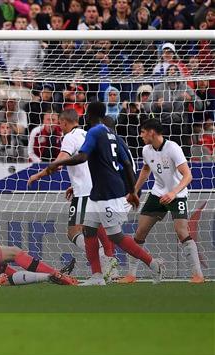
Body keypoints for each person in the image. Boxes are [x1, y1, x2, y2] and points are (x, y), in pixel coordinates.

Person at [45, 102, 163, 286]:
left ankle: (153, 264)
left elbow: (82, 157)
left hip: (108, 191)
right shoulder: (111, 133)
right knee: (89, 230)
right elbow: (127, 164)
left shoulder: (95, 132)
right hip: (98, 190)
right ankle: (97, 276)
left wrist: (57, 164)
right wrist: (132, 191)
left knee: (115, 236)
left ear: (88, 114)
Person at [28, 109, 119, 281]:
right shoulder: (87, 134)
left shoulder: (69, 137)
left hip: (84, 193)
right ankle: (110, 269)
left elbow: (59, 162)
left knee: (74, 232)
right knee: (99, 229)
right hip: (97, 189)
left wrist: (38, 175)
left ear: (63, 122)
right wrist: (74, 183)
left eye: (59, 123)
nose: (59, 126)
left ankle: (103, 260)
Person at [118, 119, 204, 284]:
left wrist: (173, 193)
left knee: (182, 231)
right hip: (157, 194)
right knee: (140, 232)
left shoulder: (173, 148)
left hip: (177, 195)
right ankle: (131, 275)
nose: (141, 135)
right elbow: (145, 169)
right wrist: (134, 191)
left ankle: (198, 275)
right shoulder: (146, 150)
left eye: (143, 131)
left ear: (151, 132)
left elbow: (188, 176)